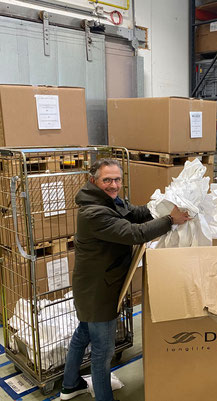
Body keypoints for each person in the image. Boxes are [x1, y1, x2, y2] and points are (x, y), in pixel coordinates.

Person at [61, 158, 190, 401]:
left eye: (117, 179)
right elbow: (135, 233)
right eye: (107, 180)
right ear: (94, 181)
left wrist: (161, 206)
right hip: (99, 291)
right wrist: (170, 220)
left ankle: (70, 386)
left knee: (83, 335)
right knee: (103, 351)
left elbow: (135, 213)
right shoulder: (94, 212)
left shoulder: (107, 200)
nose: (113, 184)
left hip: (93, 285)